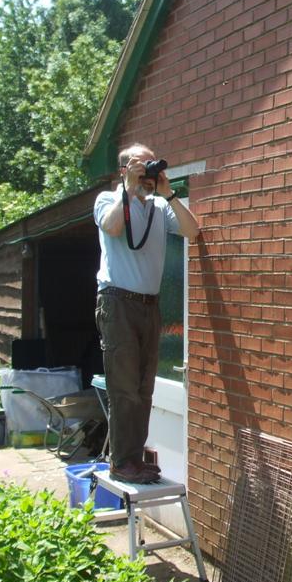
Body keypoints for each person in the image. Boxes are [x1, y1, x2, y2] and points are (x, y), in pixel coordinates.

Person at [94, 143, 198, 483]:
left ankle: (133, 459)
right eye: (141, 166)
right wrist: (128, 189)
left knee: (144, 388)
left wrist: (168, 195)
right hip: (117, 303)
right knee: (123, 387)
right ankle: (122, 461)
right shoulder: (108, 201)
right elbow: (112, 228)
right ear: (124, 170)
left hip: (149, 306)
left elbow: (192, 231)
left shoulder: (157, 207)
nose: (148, 173)